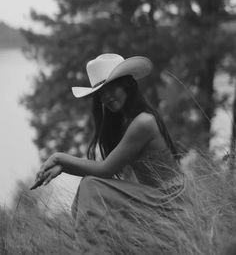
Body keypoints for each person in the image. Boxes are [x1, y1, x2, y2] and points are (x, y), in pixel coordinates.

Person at [31, 53, 186, 253]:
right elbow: (115, 174)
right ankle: (93, 248)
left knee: (91, 185)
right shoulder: (128, 121)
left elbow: (105, 169)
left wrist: (59, 158)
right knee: (88, 190)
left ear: (127, 85)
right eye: (102, 93)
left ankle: (90, 250)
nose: (107, 97)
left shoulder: (143, 123)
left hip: (172, 203)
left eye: (112, 88)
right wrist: (64, 166)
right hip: (157, 199)